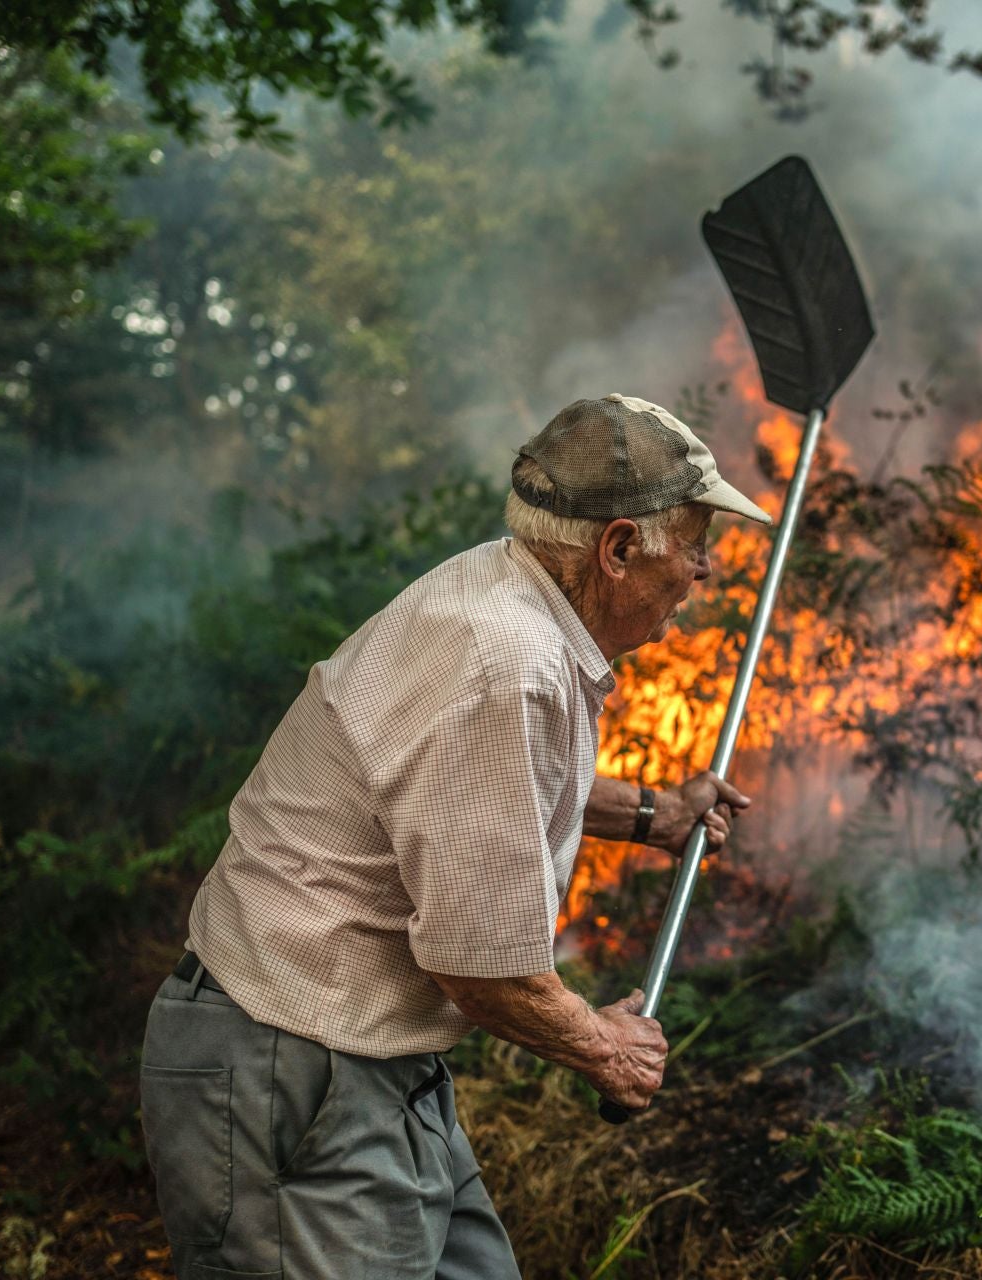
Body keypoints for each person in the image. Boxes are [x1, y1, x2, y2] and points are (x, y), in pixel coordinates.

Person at [139, 393, 769, 1279]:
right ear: (619, 547)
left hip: (370, 1063)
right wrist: (603, 1046)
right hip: (292, 1066)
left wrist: (649, 814)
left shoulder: (513, 593)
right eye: (695, 543)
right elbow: (477, 963)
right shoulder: (503, 659)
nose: (703, 570)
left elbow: (482, 787)